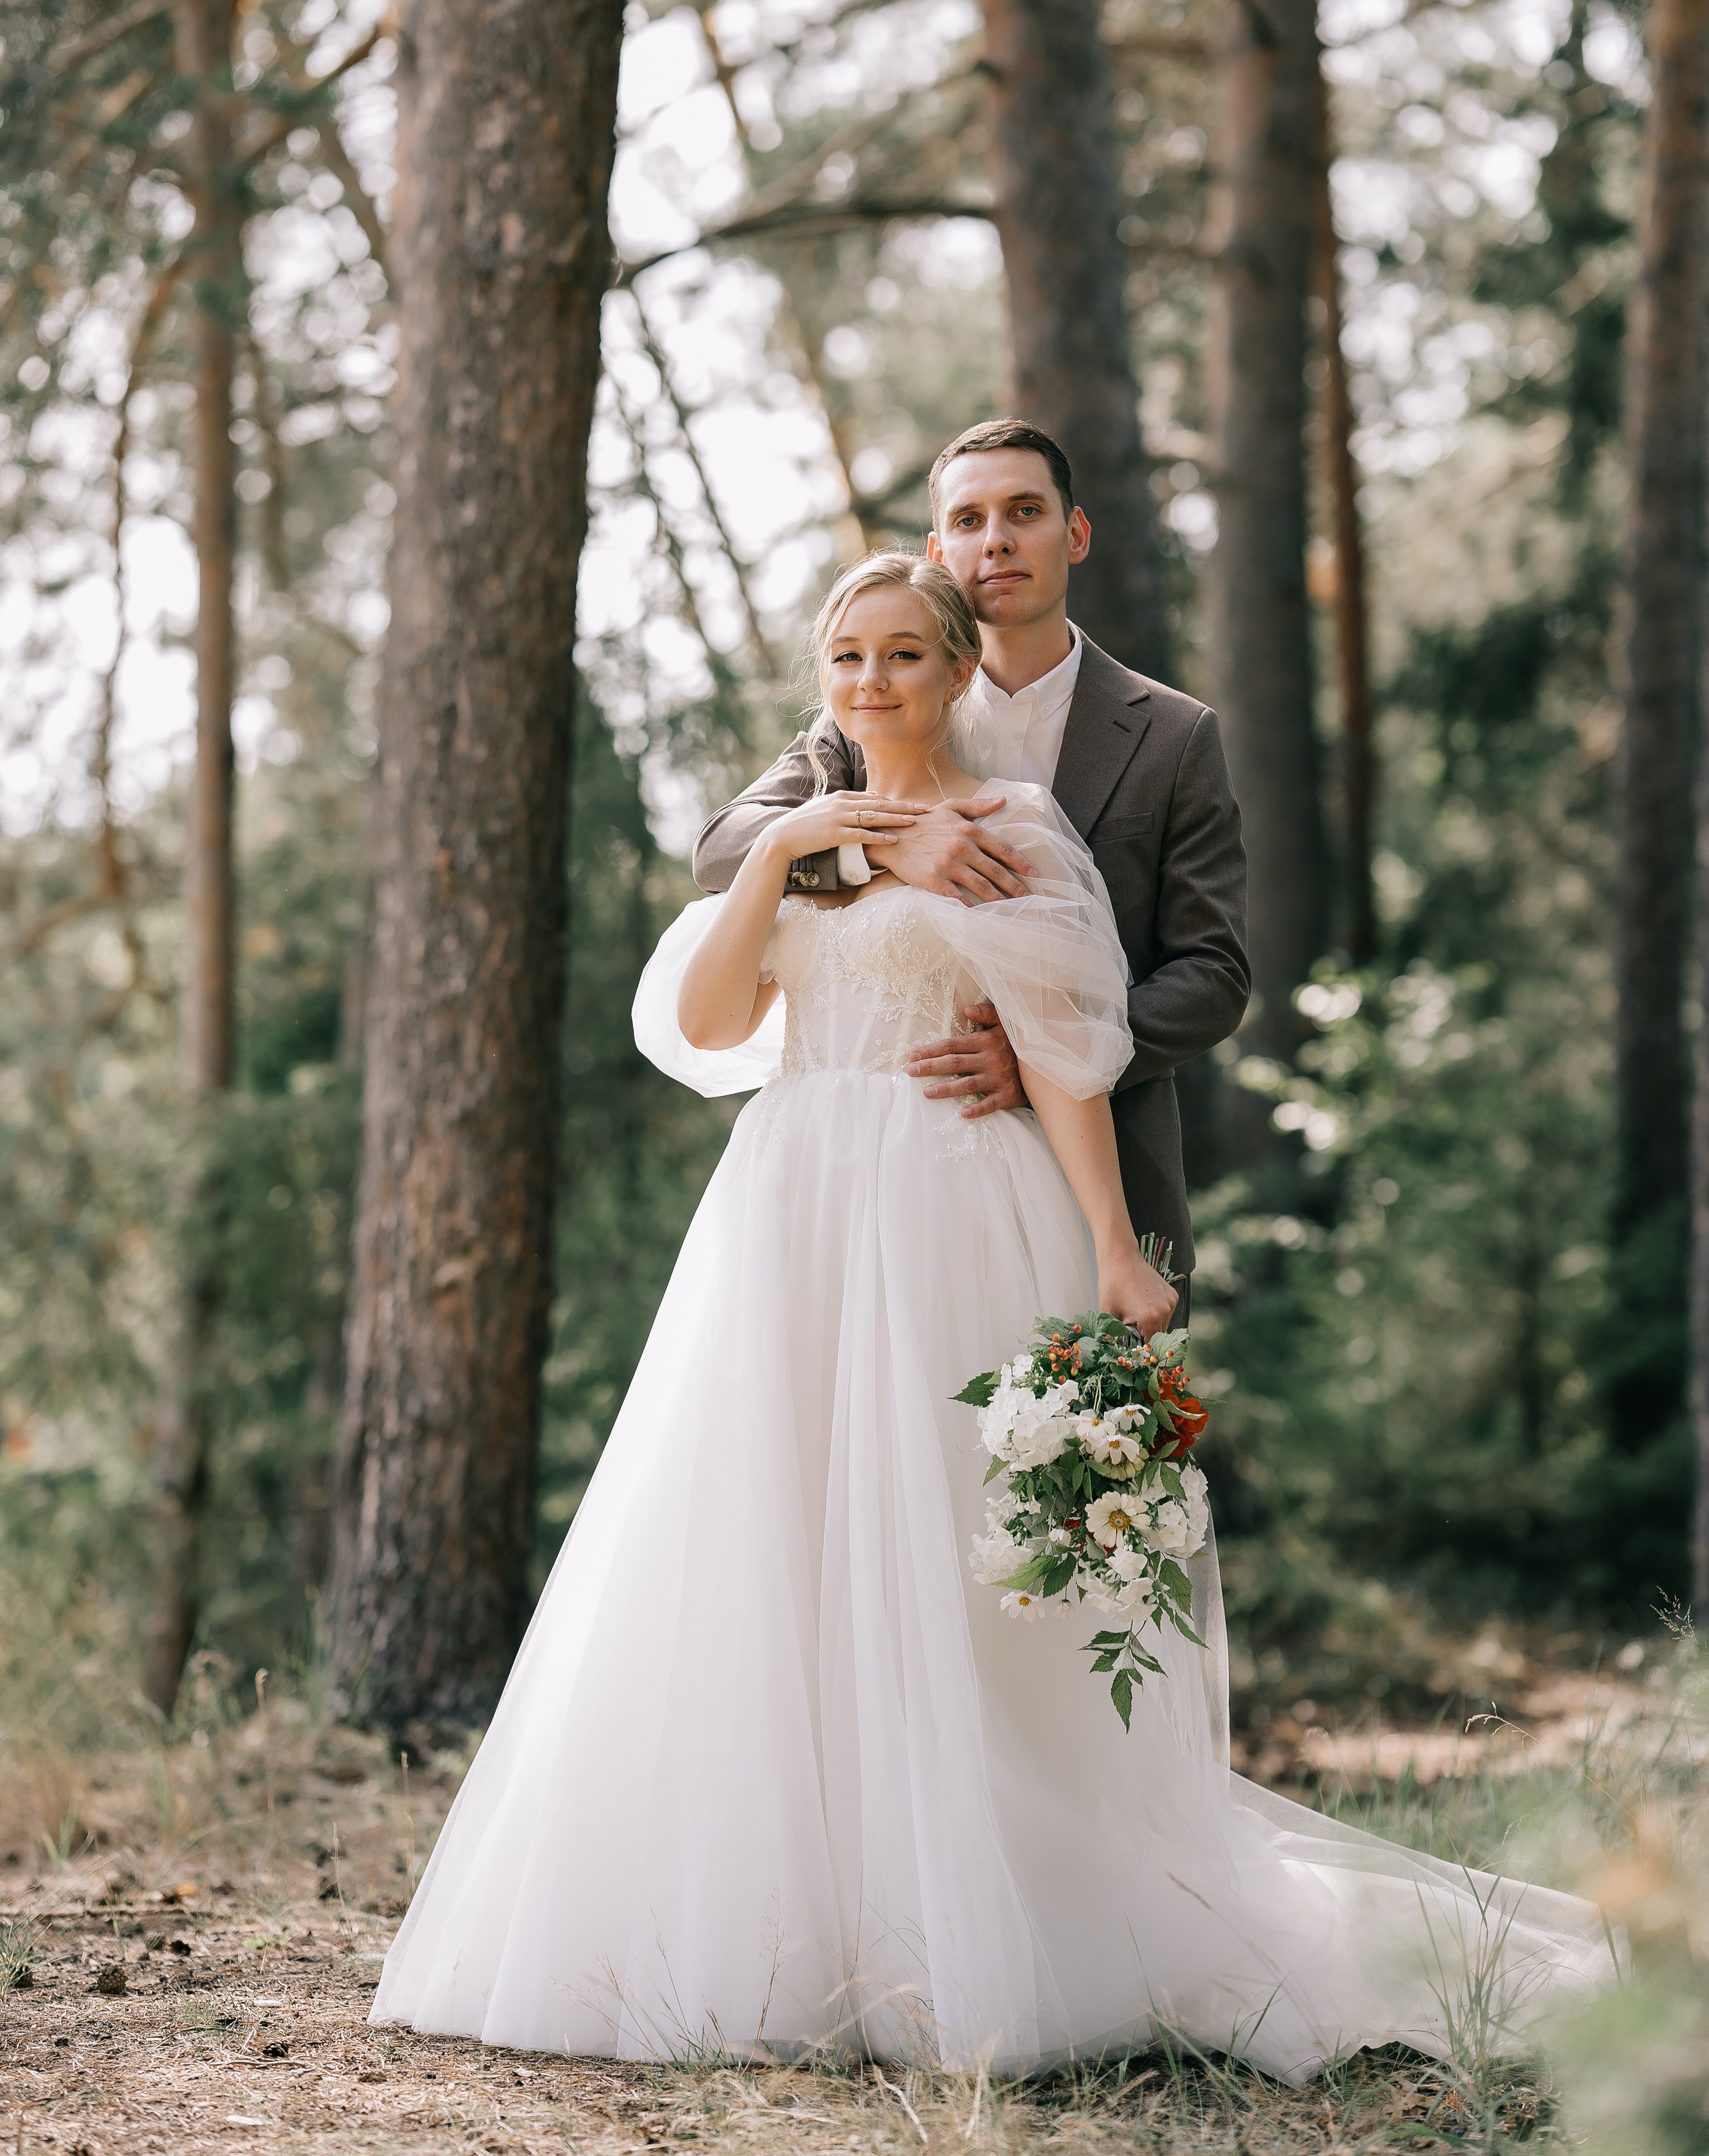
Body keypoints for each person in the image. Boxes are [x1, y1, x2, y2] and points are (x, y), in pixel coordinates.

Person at [373, 553, 1614, 2078]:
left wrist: (1114, 1248)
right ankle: (781, 1922)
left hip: (951, 1202)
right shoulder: (798, 832)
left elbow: (1064, 1051)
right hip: (788, 1209)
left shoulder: (1012, 831)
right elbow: (703, 1029)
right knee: (769, 1538)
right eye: (847, 658)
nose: (872, 682)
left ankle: (979, 1909)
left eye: (903, 655)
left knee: (941, 1548)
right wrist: (788, 852)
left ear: (959, 670)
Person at [694, 419, 1250, 1307]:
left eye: (1024, 512)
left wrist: (1046, 1053)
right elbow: (728, 844)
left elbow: (1214, 972)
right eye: (969, 519)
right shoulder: (869, 710)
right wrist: (888, 850)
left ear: (1074, 534)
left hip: (1107, 1165)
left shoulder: (1175, 736)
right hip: (879, 1183)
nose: (995, 539)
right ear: (939, 548)